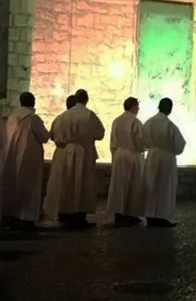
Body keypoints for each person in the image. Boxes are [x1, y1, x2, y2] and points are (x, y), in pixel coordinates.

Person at [46, 89, 105, 229]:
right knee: (81, 183)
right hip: (83, 153)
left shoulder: (62, 116)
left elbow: (52, 134)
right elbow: (99, 133)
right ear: (86, 99)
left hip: (64, 152)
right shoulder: (89, 115)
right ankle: (79, 214)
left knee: (65, 183)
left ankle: (64, 211)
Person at [0, 92, 50, 231]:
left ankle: (12, 216)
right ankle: (26, 219)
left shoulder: (11, 118)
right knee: (29, 187)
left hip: (12, 157)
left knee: (14, 186)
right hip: (29, 158)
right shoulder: (32, 118)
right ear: (33, 102)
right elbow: (44, 136)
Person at [143, 98, 186, 228]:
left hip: (152, 156)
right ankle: (162, 217)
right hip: (166, 158)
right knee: (164, 186)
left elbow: (141, 139)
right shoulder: (169, 125)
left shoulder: (149, 122)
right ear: (169, 109)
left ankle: (150, 215)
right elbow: (179, 145)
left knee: (151, 185)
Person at [106, 97, 145, 227]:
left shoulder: (116, 121)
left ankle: (119, 212)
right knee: (133, 185)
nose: (138, 109)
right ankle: (130, 213)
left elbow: (112, 141)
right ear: (133, 107)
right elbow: (140, 141)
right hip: (132, 155)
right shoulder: (136, 122)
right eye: (137, 106)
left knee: (119, 185)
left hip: (119, 155)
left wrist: (114, 156)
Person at [43, 95, 77, 221]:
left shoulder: (59, 118)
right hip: (71, 152)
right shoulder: (75, 119)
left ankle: (56, 208)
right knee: (70, 182)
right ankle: (68, 209)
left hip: (59, 152)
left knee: (57, 181)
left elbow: (51, 135)